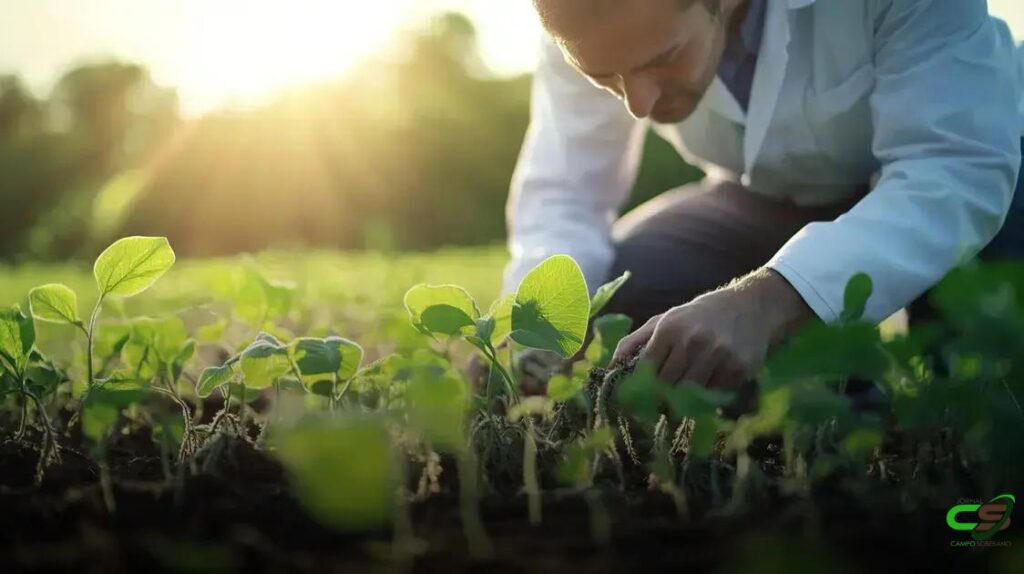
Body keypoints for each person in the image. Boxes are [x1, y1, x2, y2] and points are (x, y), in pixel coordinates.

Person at [474, 0, 1024, 397]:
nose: (638, 104)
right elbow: (568, 190)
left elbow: (953, 168)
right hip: (763, 195)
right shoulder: (582, 27)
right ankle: (836, 393)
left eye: (661, 58)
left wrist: (766, 301)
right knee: (631, 315)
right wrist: (537, 327)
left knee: (981, 369)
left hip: (986, 180)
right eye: (606, 78)